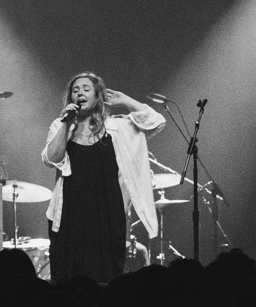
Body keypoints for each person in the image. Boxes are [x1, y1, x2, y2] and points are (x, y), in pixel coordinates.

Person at [42, 71, 165, 284]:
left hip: (107, 212)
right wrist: (65, 124)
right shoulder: (61, 125)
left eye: (86, 89)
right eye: (75, 90)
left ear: (97, 96)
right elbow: (51, 158)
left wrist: (125, 100)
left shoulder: (118, 127)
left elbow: (157, 122)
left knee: (107, 275)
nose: (79, 93)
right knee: (67, 277)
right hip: (70, 212)